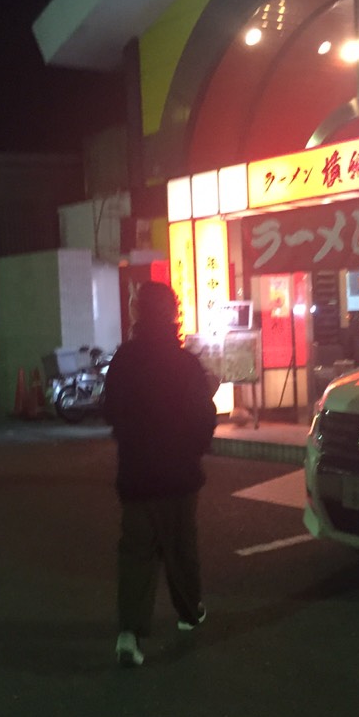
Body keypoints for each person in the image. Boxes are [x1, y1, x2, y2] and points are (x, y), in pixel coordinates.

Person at [103, 281, 217, 667]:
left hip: (137, 473)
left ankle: (129, 634)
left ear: (138, 312)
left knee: (136, 552)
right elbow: (203, 417)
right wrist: (194, 449)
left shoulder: (124, 360)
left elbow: (110, 411)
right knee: (181, 547)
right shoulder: (185, 364)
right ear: (173, 313)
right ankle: (189, 612)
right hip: (179, 473)